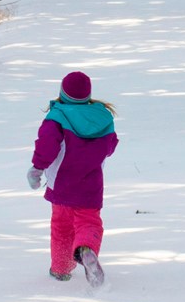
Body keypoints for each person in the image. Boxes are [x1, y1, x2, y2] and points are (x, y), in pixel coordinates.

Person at [27, 71, 119, 286]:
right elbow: (110, 146)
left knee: (62, 228)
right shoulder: (102, 117)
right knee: (89, 222)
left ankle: (61, 269)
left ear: (62, 93)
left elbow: (47, 146)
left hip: (62, 185)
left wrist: (36, 169)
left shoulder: (57, 117)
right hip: (91, 185)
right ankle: (86, 249)